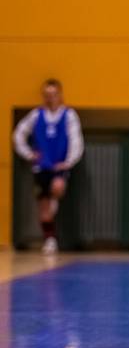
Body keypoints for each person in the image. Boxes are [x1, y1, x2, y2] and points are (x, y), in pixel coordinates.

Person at [13, 78, 84, 254]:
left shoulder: (69, 115)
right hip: (41, 166)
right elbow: (18, 135)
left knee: (57, 188)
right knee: (43, 206)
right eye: (47, 95)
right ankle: (50, 239)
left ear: (60, 95)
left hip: (59, 166)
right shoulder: (36, 115)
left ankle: (54, 204)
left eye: (53, 94)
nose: (50, 98)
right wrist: (29, 154)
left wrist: (69, 161)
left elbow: (76, 140)